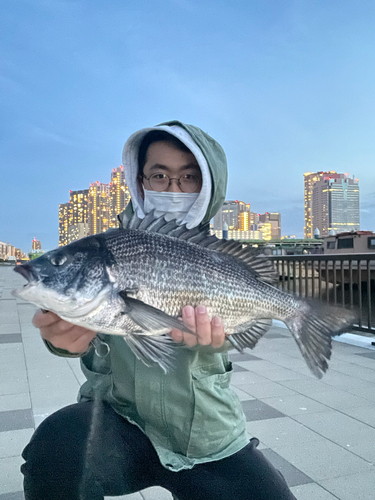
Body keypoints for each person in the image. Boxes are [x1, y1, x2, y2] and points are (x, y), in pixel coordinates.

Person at [22, 120, 297, 500]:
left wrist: (214, 341)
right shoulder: (108, 247)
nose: (173, 189)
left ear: (208, 186)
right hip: (117, 423)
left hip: (204, 433)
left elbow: (230, 332)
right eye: (159, 175)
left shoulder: (219, 256)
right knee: (56, 447)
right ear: (140, 182)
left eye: (188, 177)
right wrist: (61, 340)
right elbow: (84, 331)